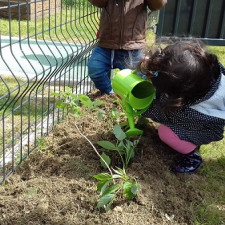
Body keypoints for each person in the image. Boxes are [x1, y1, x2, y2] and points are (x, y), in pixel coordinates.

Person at [138, 40, 225, 173]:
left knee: (166, 133)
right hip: (206, 116)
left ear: (178, 98)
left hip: (206, 127)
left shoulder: (190, 111)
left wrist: (139, 104)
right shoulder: (207, 71)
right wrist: (155, 64)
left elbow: (163, 112)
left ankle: (192, 155)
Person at [87, 0, 167, 94]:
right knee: (95, 68)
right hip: (106, 45)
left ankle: (143, 97)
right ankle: (109, 92)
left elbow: (157, 5)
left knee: (137, 79)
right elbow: (98, 2)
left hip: (132, 47)